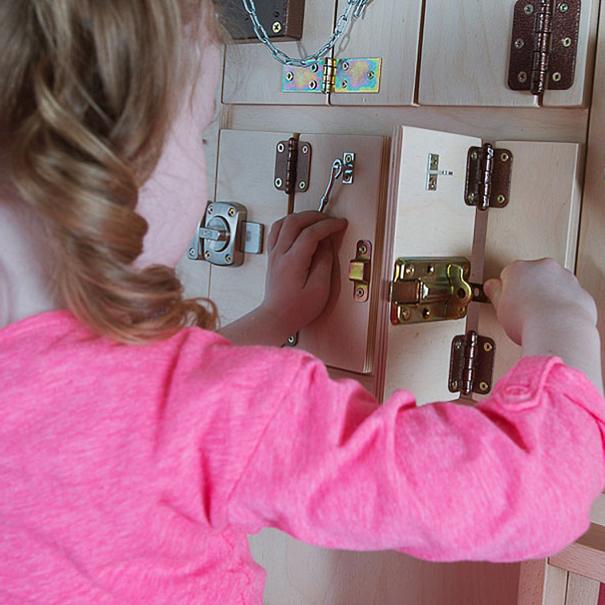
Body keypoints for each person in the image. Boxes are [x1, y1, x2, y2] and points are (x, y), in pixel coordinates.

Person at [0, 2, 603, 604]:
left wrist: (274, 318)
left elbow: (127, 414)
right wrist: (562, 319)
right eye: (199, 133)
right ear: (115, 162)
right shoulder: (205, 411)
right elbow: (541, 488)